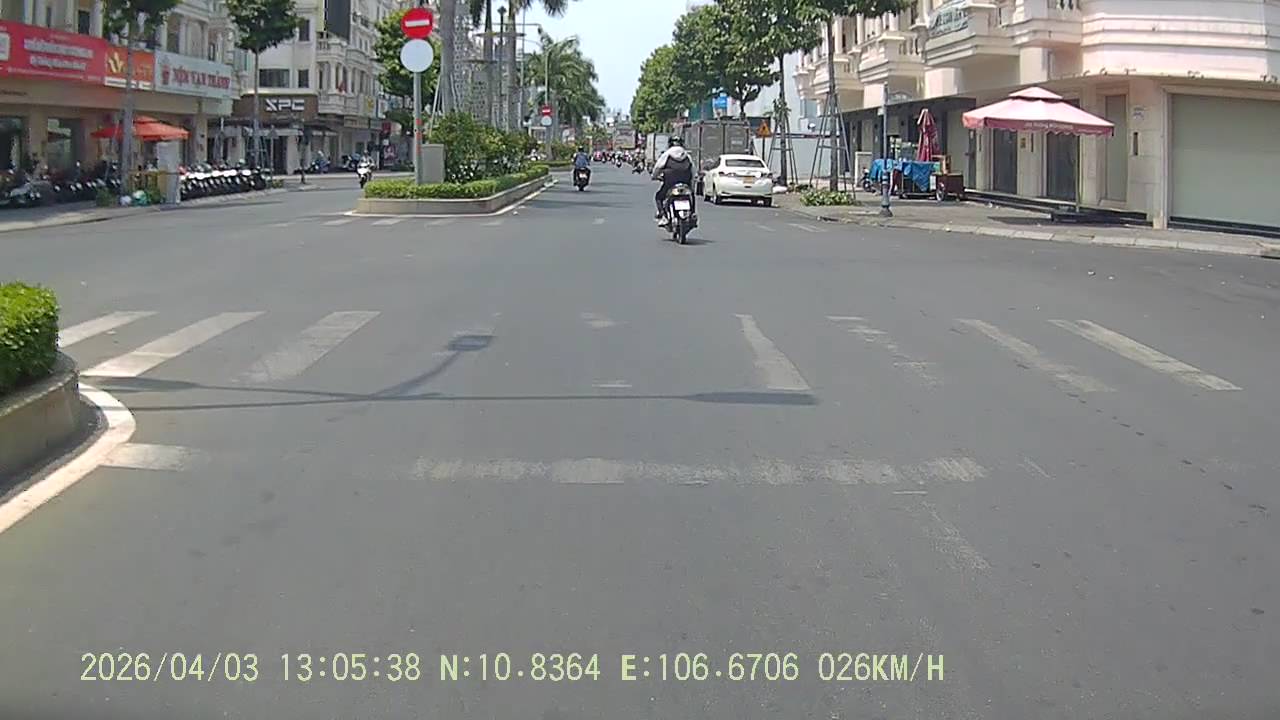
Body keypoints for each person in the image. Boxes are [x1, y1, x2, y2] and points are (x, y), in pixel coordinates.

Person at [650, 136, 694, 222]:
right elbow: (693, 169)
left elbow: (658, 167)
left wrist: (654, 176)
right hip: (685, 180)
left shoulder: (667, 154)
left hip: (670, 181)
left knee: (659, 197)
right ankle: (692, 214)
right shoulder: (686, 155)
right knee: (691, 195)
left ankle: (662, 215)